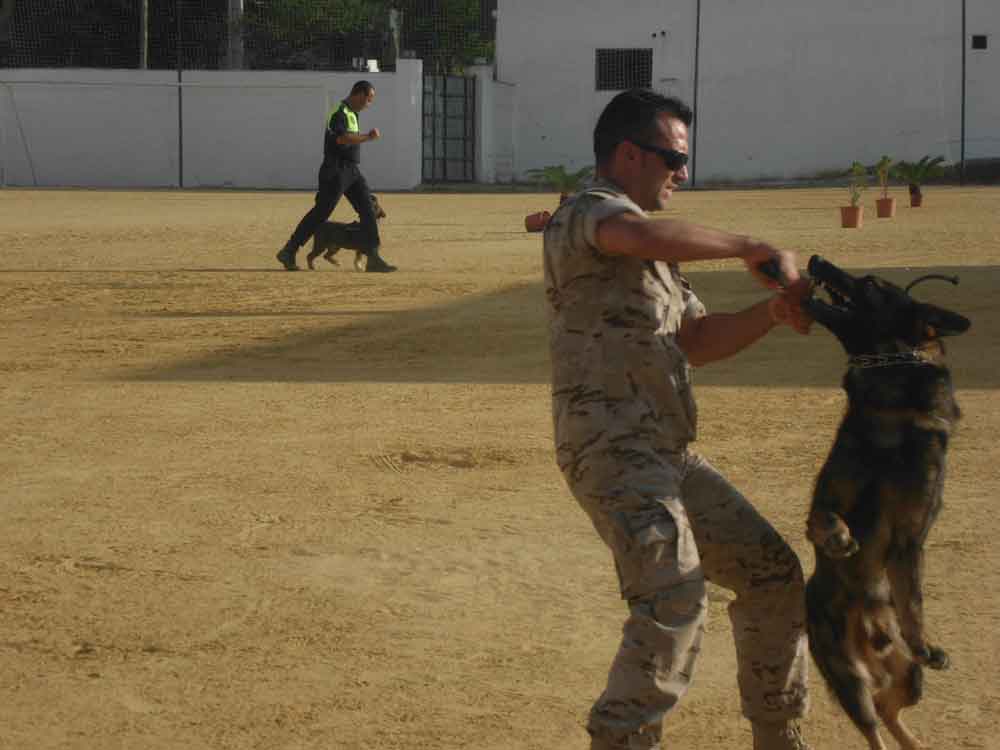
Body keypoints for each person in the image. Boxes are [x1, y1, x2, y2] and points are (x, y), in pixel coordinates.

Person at [542, 88, 815, 750]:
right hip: (611, 450)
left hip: (667, 452)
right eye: (672, 158)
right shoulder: (590, 211)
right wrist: (746, 244)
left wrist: (772, 314)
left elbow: (696, 339)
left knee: (772, 575)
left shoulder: (655, 252)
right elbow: (634, 234)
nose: (682, 174)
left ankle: (779, 738)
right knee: (673, 599)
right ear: (629, 154)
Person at [277, 80, 396, 272]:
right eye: (369, 99)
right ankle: (289, 250)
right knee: (321, 213)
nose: (369, 103)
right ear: (358, 94)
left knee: (368, 209)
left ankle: (373, 257)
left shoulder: (352, 113)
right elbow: (342, 139)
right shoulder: (339, 112)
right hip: (335, 170)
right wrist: (368, 137)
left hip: (351, 171)